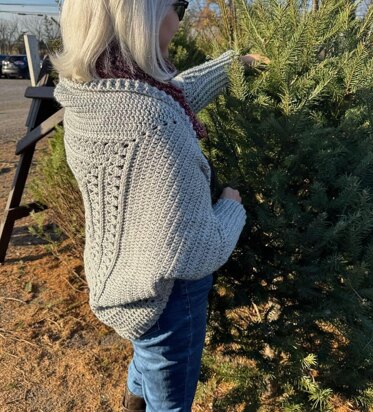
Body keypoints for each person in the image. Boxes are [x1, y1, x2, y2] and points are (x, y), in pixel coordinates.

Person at [51, 1, 270, 411]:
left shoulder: (87, 96)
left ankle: (133, 402)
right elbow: (197, 247)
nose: (179, 19)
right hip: (170, 296)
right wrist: (231, 205)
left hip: (121, 276)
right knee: (169, 399)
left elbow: (171, 99)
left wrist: (232, 65)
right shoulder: (153, 120)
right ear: (142, 17)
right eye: (177, 6)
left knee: (147, 355)